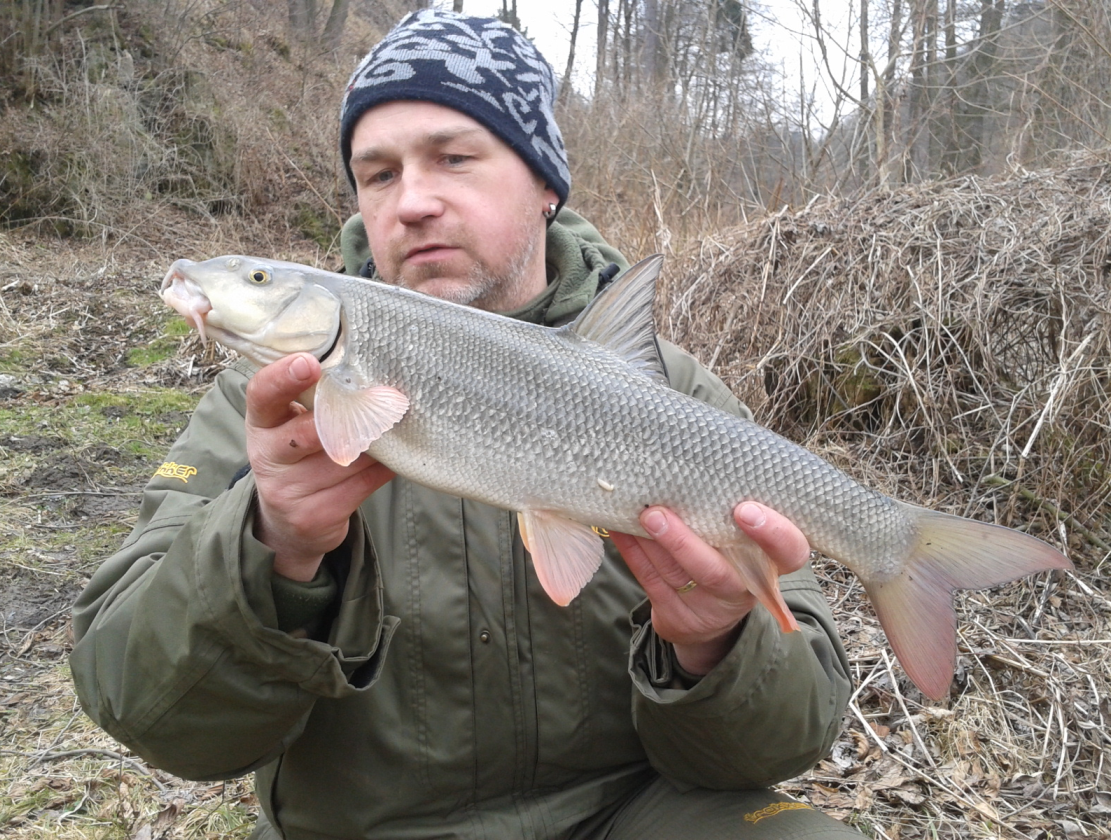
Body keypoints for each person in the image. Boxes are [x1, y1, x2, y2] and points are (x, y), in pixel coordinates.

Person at [71, 10, 857, 839]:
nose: (412, 202)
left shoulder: (677, 394)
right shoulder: (268, 404)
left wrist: (717, 646)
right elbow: (137, 704)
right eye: (377, 176)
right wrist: (270, 545)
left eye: (454, 158)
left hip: (623, 816)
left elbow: (790, 737)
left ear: (546, 183)